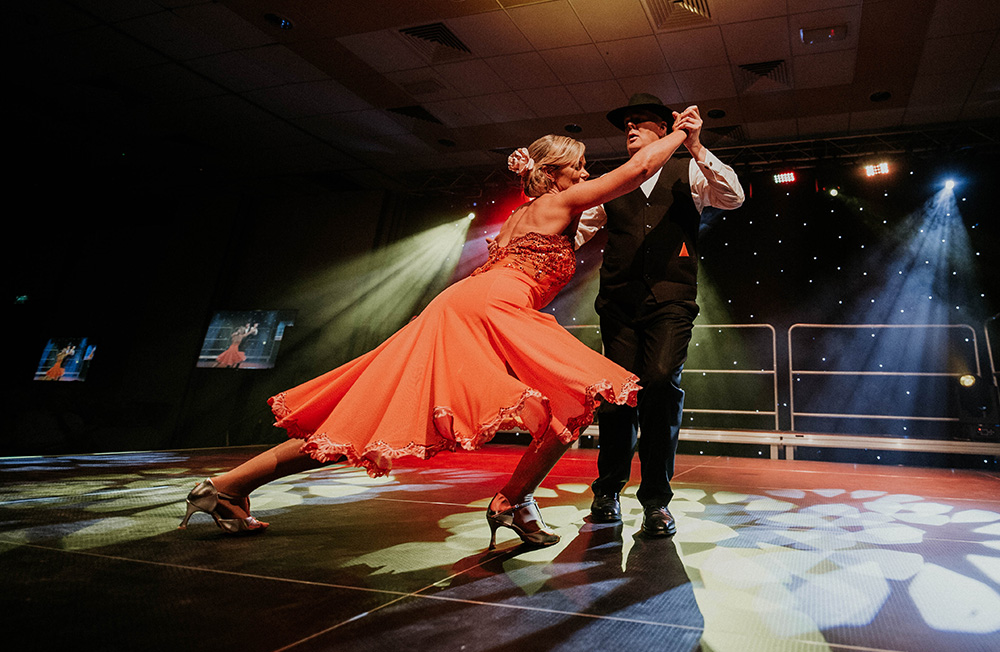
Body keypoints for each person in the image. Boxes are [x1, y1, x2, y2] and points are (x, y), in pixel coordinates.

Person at [180, 126, 691, 550]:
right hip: (495, 308)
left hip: (460, 303)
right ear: (556, 174)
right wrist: (680, 133)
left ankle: (226, 486)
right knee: (580, 396)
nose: (585, 174)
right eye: (577, 166)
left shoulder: (521, 216)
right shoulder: (563, 201)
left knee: (364, 414)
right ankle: (513, 501)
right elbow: (640, 170)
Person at [577, 93, 745, 537]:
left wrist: (694, 145)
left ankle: (655, 501)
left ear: (662, 128)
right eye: (626, 123)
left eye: (640, 122)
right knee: (616, 396)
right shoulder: (614, 179)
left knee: (658, 383)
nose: (630, 128)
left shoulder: (688, 168)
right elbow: (578, 230)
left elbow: (734, 198)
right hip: (618, 302)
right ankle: (607, 490)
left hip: (671, 300)